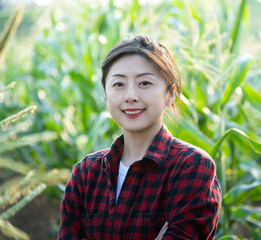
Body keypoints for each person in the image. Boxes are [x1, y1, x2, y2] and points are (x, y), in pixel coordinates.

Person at [57, 35, 222, 240]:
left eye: (144, 83)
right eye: (119, 84)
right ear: (106, 95)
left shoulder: (192, 167)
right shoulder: (86, 174)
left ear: (170, 94)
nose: (130, 95)